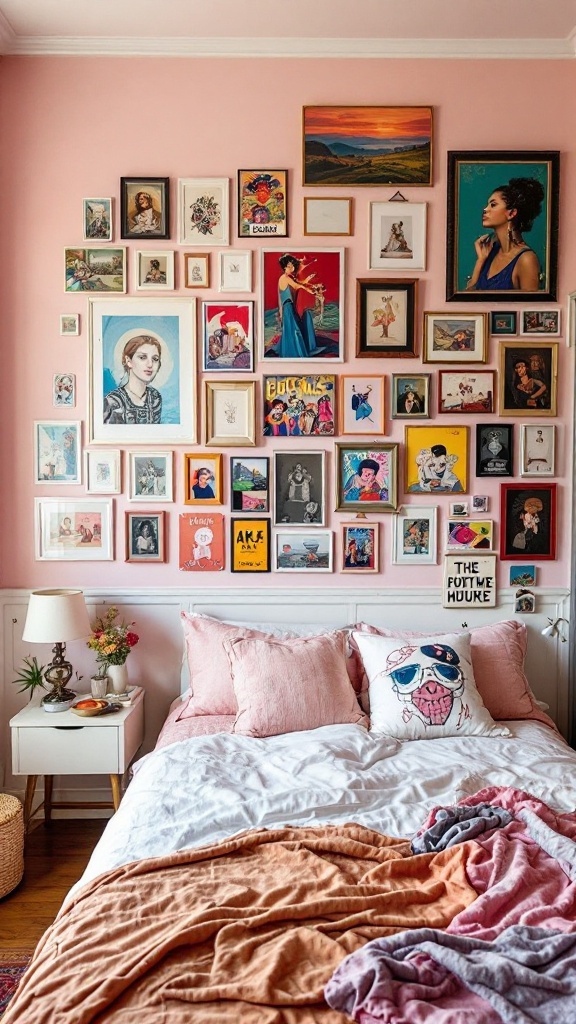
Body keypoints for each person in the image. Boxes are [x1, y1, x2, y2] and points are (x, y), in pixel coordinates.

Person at [466, 177, 544, 291]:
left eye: (493, 205)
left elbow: (531, 307)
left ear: (511, 213)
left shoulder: (526, 260)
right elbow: (467, 300)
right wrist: (480, 261)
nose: (485, 209)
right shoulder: (490, 252)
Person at [103, 335, 163, 425]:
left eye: (155, 359)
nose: (150, 364)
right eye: (142, 357)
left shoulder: (155, 397)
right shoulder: (113, 401)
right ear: (128, 361)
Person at [274, 254, 323, 358]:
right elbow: (297, 286)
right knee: (293, 330)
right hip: (287, 308)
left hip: (289, 307)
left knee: (294, 329)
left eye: (292, 265)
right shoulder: (284, 278)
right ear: (284, 267)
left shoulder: (289, 278)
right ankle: (294, 352)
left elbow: (298, 283)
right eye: (289, 266)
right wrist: (308, 289)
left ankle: (294, 351)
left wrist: (307, 281)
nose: (292, 268)